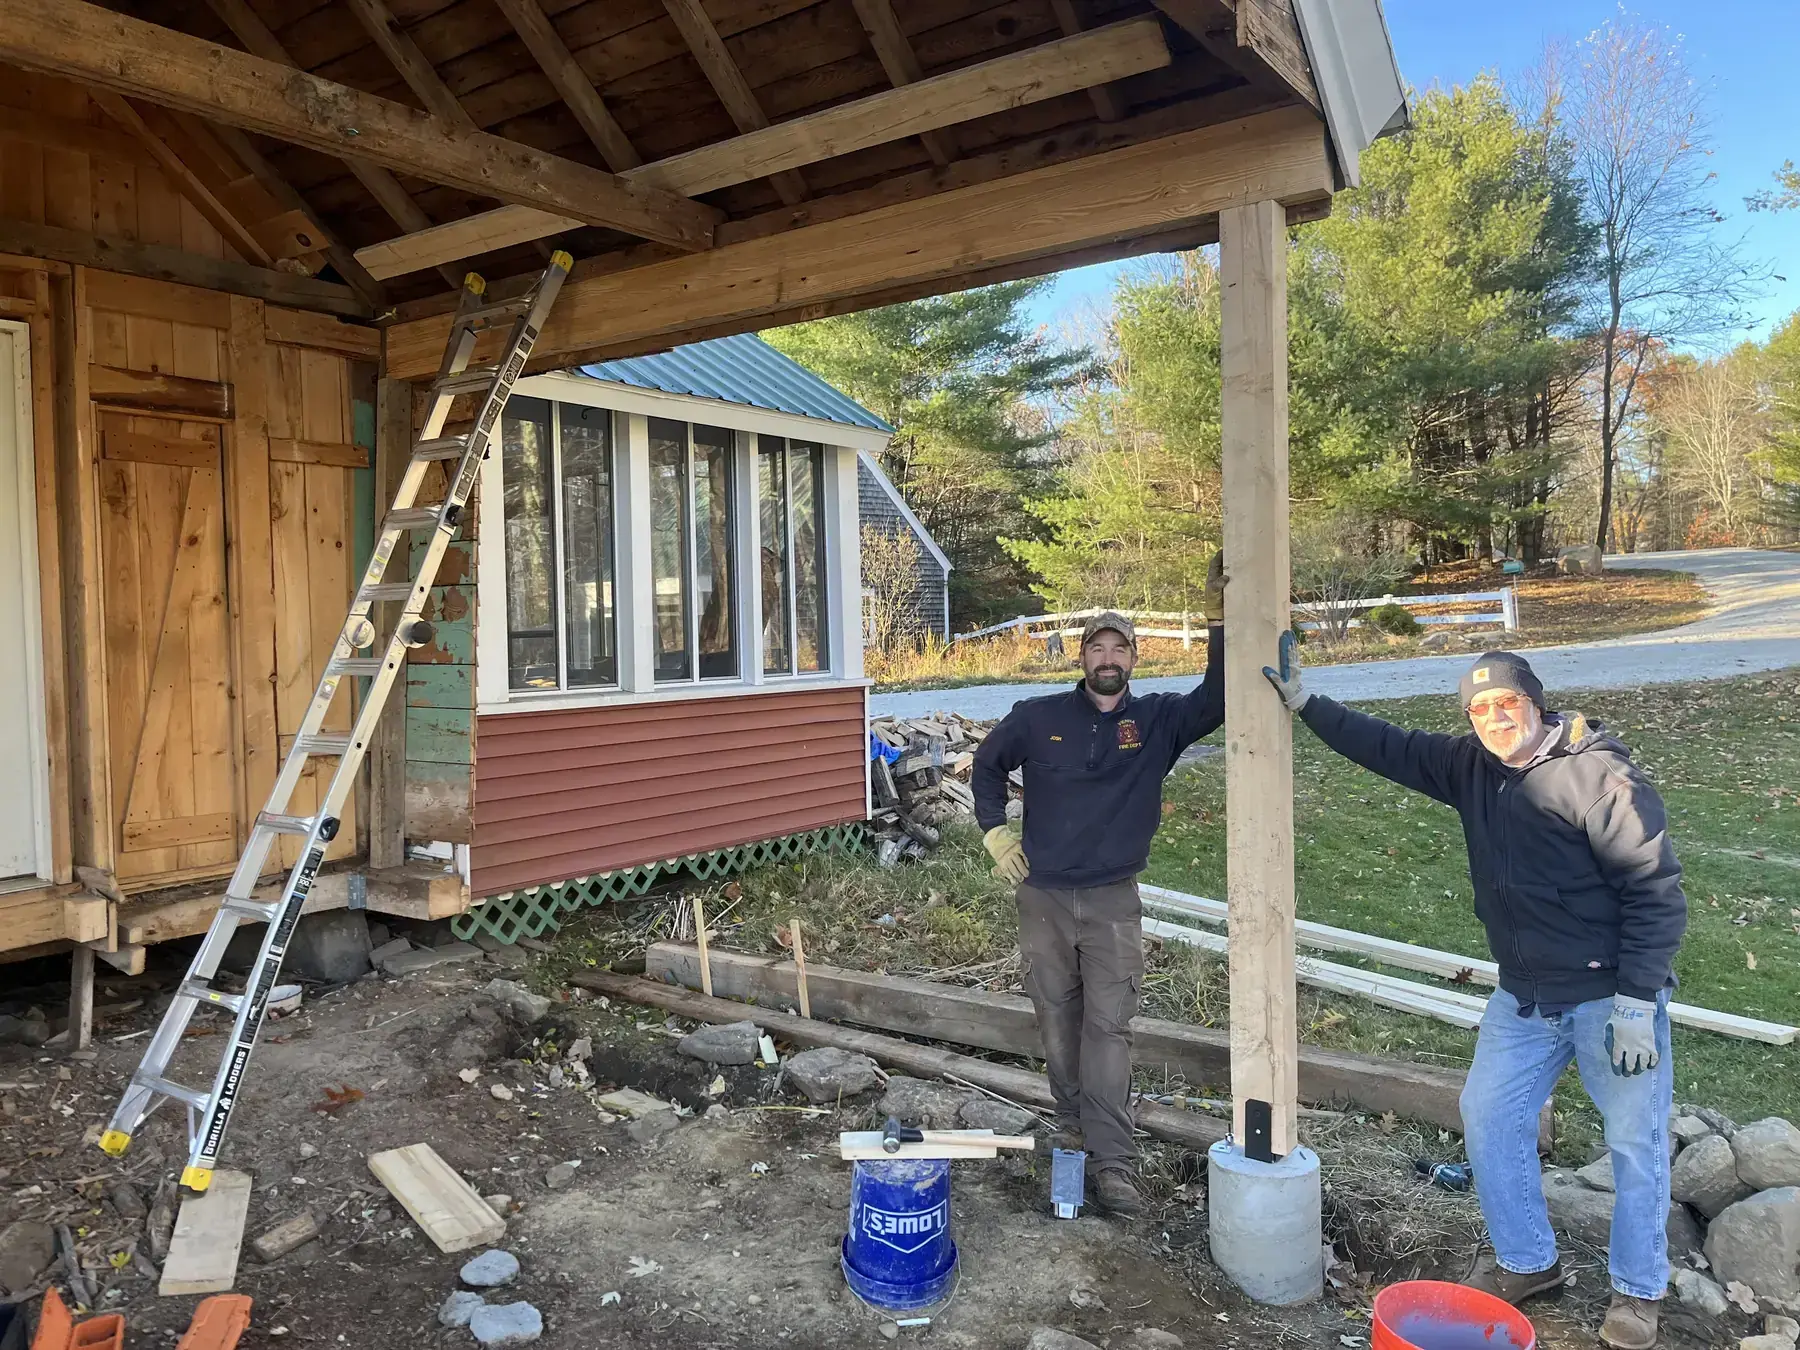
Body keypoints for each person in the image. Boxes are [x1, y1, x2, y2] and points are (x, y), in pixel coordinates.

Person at [1262, 637, 1684, 1350]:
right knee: (1487, 1115)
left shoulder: (1601, 779)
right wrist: (1307, 704)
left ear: (1536, 703)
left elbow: (1655, 892)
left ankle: (1639, 1291)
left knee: (1634, 1143)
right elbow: (1388, 747)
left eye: (1507, 702)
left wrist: (1638, 1000)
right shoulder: (1472, 766)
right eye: (1479, 708)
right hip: (1525, 996)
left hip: (1609, 998)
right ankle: (1528, 1262)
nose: (1494, 718)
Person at [971, 556, 1226, 1218]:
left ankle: (1115, 1164)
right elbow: (987, 765)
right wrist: (996, 832)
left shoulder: (1161, 721)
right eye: (1097, 647)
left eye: (1119, 648)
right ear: (1081, 656)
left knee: (1109, 1028)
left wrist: (1218, 621)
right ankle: (1072, 1128)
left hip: (1113, 900)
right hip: (1044, 897)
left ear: (1135, 658)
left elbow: (1219, 696)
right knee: (1057, 1019)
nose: (1108, 658)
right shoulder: (1038, 716)